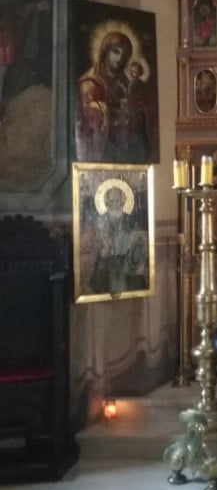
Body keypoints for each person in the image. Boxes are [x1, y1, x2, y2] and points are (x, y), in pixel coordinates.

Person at [77, 29, 144, 161]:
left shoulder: (127, 83)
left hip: (122, 146)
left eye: (124, 55)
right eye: (115, 52)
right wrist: (112, 111)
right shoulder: (90, 82)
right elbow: (88, 110)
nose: (119, 58)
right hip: (100, 145)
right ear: (105, 51)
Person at [87, 182, 146, 294]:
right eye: (111, 200)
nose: (114, 203)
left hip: (126, 263)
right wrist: (103, 247)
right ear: (106, 201)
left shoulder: (131, 221)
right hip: (105, 263)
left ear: (123, 201)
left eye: (118, 200)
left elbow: (138, 241)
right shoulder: (100, 220)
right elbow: (95, 244)